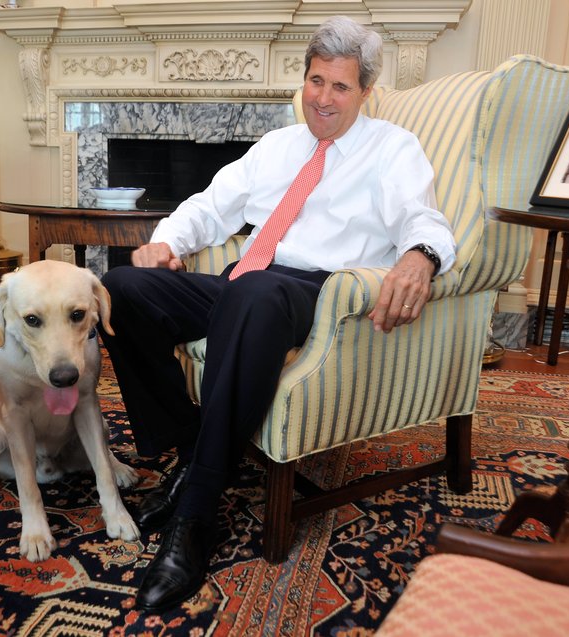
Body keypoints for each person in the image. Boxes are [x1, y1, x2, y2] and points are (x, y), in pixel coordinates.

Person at [99, 15, 456, 612]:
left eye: (340, 87)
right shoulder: (276, 145)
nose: (323, 98)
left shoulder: (392, 149)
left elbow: (423, 219)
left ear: (364, 91)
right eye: (316, 81)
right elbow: (209, 207)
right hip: (244, 283)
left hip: (310, 293)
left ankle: (198, 512)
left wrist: (420, 257)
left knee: (256, 292)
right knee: (123, 288)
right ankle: (189, 452)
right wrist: (168, 241)